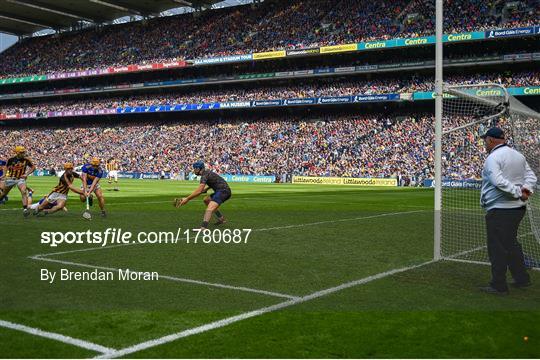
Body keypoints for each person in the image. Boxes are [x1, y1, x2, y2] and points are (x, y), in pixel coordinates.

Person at [479, 127, 537, 294]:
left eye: (485, 140)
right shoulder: (518, 155)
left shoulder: (493, 158)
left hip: (500, 209)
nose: (484, 144)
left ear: (490, 140)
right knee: (511, 244)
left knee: (497, 248)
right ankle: (522, 278)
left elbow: (498, 181)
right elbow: (531, 176)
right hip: (517, 209)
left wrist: (518, 192)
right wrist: (525, 191)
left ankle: (498, 285)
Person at [174, 161, 230, 229]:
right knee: (206, 200)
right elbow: (217, 180)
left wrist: (187, 199)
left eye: (194, 168)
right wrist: (207, 188)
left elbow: (199, 191)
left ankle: (203, 228)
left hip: (223, 191)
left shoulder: (204, 175)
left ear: (198, 169)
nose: (193, 170)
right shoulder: (207, 173)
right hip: (221, 190)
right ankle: (221, 219)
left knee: (209, 208)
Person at [0, 146, 36, 216]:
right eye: (21, 152)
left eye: (23, 152)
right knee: (3, 194)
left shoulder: (26, 160)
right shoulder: (11, 159)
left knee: (23, 191)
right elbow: (6, 167)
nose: (23, 153)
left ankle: (25, 209)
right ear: (17, 153)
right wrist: (4, 174)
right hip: (11, 178)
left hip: (20, 179)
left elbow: (33, 167)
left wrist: (26, 174)